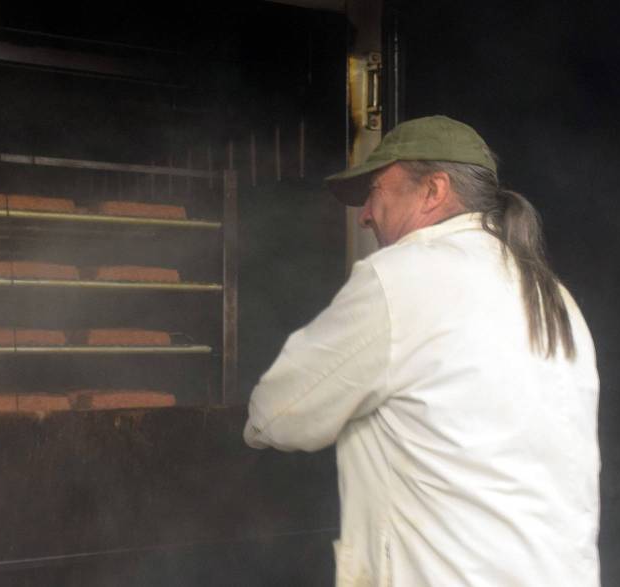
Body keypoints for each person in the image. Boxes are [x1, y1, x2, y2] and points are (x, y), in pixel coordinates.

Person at [244, 115, 600, 586]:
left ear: (433, 190)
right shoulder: (553, 296)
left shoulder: (402, 276)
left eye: (376, 190)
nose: (366, 213)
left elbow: (276, 415)